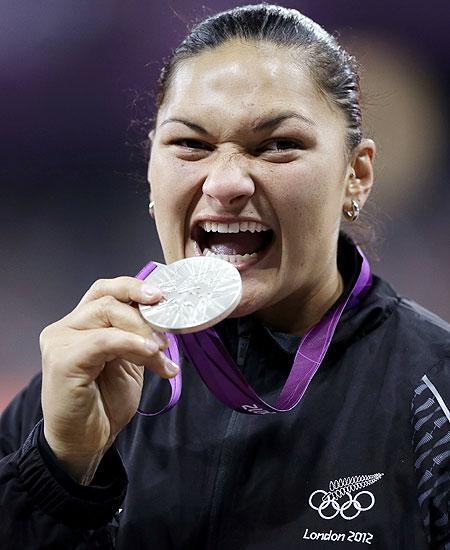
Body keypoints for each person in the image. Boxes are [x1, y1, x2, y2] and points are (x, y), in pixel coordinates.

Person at [0, 4, 449, 549]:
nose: (227, 182)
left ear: (355, 176)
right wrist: (61, 471)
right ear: (151, 174)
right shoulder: (75, 388)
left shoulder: (434, 398)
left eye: (278, 145)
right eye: (190, 145)